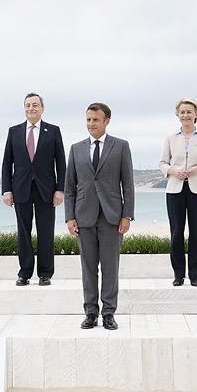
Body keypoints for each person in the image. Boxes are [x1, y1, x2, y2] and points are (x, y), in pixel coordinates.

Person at [64, 102, 134, 331]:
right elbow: (70, 187)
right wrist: (69, 216)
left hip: (112, 216)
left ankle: (109, 313)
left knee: (111, 268)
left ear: (106, 121)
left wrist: (127, 215)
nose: (91, 124)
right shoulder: (76, 149)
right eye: (88, 120)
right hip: (83, 216)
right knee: (88, 267)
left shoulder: (121, 146)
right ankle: (90, 312)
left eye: (95, 120)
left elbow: (128, 185)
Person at [1, 93, 66, 286]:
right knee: (23, 232)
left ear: (42, 108)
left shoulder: (53, 131)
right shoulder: (14, 131)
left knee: (46, 232)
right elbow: (7, 163)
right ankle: (25, 273)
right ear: (24, 108)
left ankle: (45, 273)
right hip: (20, 189)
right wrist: (6, 190)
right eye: (28, 105)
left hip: (46, 190)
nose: (31, 108)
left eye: (35, 105)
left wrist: (60, 189)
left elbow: (61, 163)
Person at [159, 98, 197, 287]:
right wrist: (172, 171)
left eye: (189, 112)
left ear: (196, 114)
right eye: (182, 112)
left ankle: (194, 274)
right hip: (174, 189)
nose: (185, 115)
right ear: (178, 115)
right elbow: (162, 163)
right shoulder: (170, 138)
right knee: (176, 233)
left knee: (196, 233)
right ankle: (178, 274)